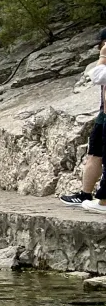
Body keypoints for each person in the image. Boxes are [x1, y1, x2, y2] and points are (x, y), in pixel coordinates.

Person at [61, 30, 106, 207]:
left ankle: (101, 200)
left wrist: (102, 57)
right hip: (103, 114)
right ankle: (85, 194)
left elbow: (98, 76)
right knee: (95, 153)